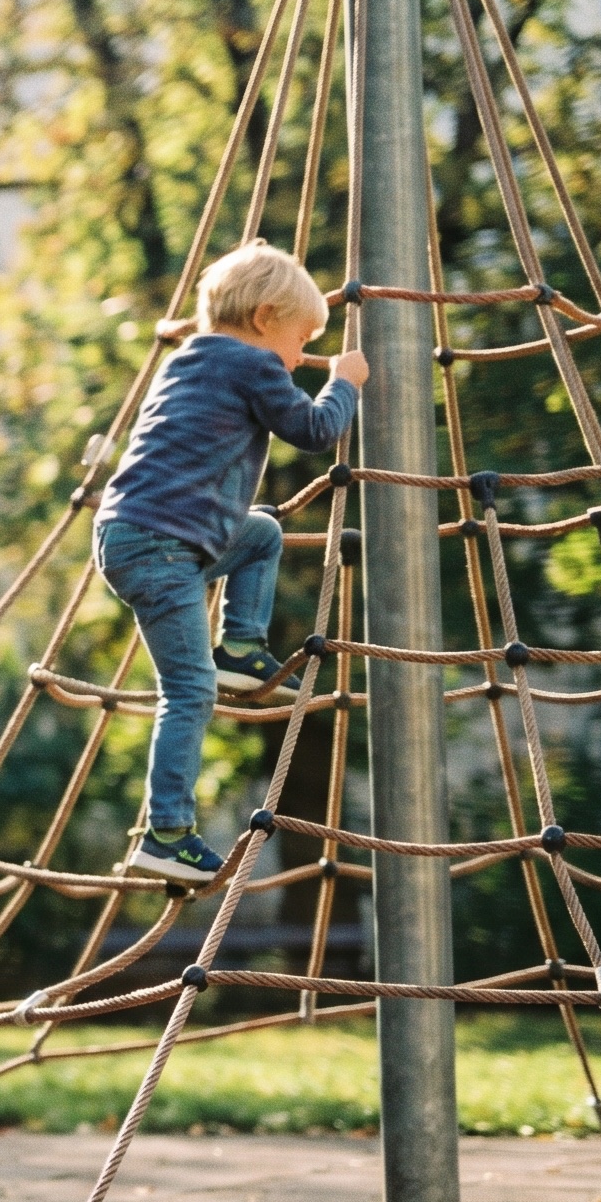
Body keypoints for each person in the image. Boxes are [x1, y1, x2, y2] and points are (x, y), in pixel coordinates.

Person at [93, 241, 365, 883]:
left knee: (262, 534)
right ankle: (167, 834)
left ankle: (241, 647)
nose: (300, 359)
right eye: (300, 342)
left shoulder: (191, 357)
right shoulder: (252, 365)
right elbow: (314, 432)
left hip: (140, 536)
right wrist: (343, 383)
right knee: (188, 693)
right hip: (163, 545)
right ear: (266, 317)